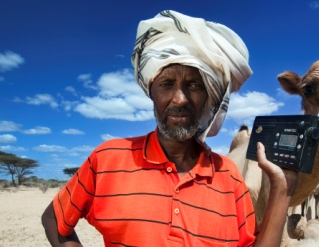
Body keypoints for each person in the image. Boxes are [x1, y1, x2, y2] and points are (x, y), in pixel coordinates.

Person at [42, 10, 298, 247]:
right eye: (166, 84)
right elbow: (54, 219)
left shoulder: (229, 176)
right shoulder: (108, 158)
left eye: (195, 85)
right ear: (151, 91)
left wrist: (282, 189)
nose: (180, 99)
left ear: (211, 97)